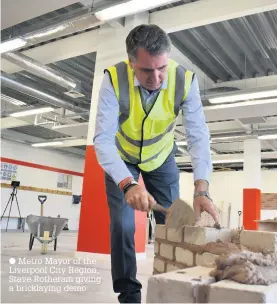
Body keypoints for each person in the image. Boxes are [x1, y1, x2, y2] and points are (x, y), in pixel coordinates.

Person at [93, 24, 219, 303]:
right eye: (147, 71)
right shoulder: (114, 79)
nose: (157, 77)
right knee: (123, 226)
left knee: (172, 226)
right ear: (131, 62)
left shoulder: (185, 80)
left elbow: (198, 136)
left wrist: (202, 189)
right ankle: (129, 295)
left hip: (162, 159)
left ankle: (174, 288)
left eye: (161, 67)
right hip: (122, 158)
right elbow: (102, 140)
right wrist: (127, 183)